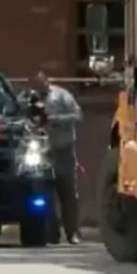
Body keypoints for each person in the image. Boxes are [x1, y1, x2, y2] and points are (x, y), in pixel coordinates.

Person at [32, 71, 83, 244]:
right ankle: (51, 234)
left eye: (41, 83)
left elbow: (77, 115)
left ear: (47, 81)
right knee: (45, 194)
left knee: (68, 192)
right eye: (36, 85)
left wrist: (55, 119)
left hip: (63, 150)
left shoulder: (61, 95)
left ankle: (72, 232)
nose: (39, 88)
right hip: (42, 152)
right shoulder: (30, 99)